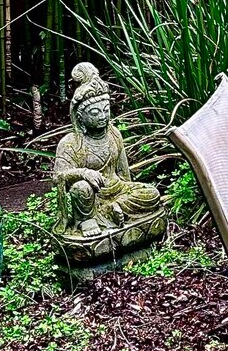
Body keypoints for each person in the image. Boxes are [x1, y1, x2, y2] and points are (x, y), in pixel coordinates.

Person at [52, 62, 162, 238]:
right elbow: (58, 176)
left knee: (151, 193)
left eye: (106, 110)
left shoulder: (114, 134)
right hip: (91, 197)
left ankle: (112, 209)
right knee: (81, 188)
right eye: (95, 113)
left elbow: (123, 173)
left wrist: (129, 190)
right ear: (80, 117)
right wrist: (83, 173)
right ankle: (87, 219)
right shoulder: (71, 142)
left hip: (117, 189)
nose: (102, 117)